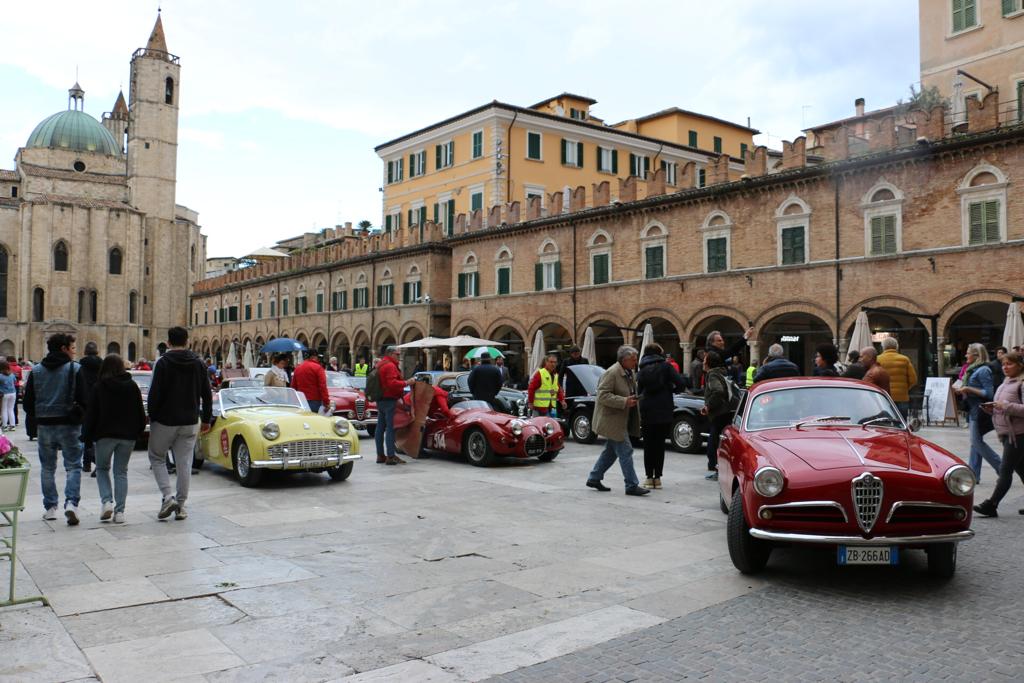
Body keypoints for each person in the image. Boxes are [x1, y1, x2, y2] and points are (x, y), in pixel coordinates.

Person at [146, 327, 213, 521]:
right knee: (184, 462)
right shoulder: (199, 363)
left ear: (168, 342)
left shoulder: (162, 363)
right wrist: (207, 419)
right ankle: (181, 506)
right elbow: (207, 394)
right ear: (187, 342)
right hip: (190, 420)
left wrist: (153, 415)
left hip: (165, 420)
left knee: (157, 457)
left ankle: (168, 497)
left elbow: (154, 393)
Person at [24, 333, 88, 524]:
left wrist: (41, 413)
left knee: (47, 468)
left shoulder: (36, 371)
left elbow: (28, 404)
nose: (74, 352)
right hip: (69, 425)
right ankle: (71, 503)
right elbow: (85, 398)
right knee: (73, 465)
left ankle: (51, 507)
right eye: (73, 348)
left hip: (45, 425)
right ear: (64, 348)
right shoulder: (75, 369)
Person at [82, 354, 146, 524]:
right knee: (121, 472)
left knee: (102, 469)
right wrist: (138, 431)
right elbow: (140, 412)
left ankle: (107, 501)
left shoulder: (99, 386)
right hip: (127, 436)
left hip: (104, 435)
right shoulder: (132, 386)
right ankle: (120, 512)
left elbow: (91, 414)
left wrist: (86, 435)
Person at [585, 345, 648, 496]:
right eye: (633, 359)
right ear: (624, 360)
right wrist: (624, 401)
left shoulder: (629, 371)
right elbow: (602, 395)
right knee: (626, 450)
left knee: (611, 452)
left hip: (621, 418)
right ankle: (631, 485)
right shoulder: (612, 373)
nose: (635, 362)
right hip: (611, 420)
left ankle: (594, 478)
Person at [973, 351, 1024, 517]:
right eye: (1003, 364)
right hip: (1006, 433)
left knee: (1005, 469)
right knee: (1021, 468)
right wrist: (992, 409)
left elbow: (1012, 407)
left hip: (1018, 434)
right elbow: (1002, 407)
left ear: (1020, 365)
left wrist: (1005, 406)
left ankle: (991, 504)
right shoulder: (1005, 382)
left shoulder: (1022, 383)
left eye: (1009, 364)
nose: (1005, 367)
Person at [637, 343, 686, 489]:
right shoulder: (666, 366)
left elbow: (640, 391)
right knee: (659, 444)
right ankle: (657, 478)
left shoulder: (642, 368)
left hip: (647, 410)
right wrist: (670, 389)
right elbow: (681, 384)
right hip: (664, 410)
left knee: (648, 445)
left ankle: (648, 478)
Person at [956, 342, 1002, 482]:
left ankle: (1002, 468)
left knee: (976, 442)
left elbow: (988, 393)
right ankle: (974, 474)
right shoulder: (972, 369)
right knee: (975, 442)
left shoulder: (983, 370)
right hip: (973, 410)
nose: (965, 354)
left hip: (979, 411)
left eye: (968, 352)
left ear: (976, 355)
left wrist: (968, 389)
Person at [375, 345, 413, 465]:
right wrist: (407, 382)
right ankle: (390, 456)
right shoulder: (390, 365)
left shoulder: (380, 364)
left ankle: (380, 455)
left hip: (380, 399)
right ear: (391, 354)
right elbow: (392, 383)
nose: (399, 357)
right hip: (389, 400)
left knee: (380, 428)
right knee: (390, 429)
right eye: (397, 354)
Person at [701, 350, 734, 481]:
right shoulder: (722, 372)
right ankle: (720, 468)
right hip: (727, 411)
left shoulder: (712, 374)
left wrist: (708, 406)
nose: (703, 363)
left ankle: (716, 469)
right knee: (722, 441)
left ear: (709, 363)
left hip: (719, 413)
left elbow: (718, 391)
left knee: (713, 443)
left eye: (705, 360)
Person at [876, 337, 917, 418]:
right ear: (896, 346)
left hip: (884, 397)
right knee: (901, 424)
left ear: (883, 347)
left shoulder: (878, 359)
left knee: (885, 423)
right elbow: (913, 380)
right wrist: (904, 388)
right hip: (902, 397)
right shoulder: (904, 359)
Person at [78, 341, 102, 474]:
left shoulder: (80, 365)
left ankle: (86, 463)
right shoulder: (102, 364)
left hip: (85, 402)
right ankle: (98, 460)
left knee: (86, 433)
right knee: (98, 434)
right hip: (99, 402)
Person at [0, 360, 16, 431]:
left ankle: (4, 426)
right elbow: (15, 381)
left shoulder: (0, 376)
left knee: (4, 410)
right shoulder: (12, 374)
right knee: (11, 409)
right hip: (13, 393)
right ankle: (12, 425)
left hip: (4, 394)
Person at [7, 356, 22, 427]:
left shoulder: (7, 367)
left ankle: (8, 421)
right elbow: (20, 378)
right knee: (15, 404)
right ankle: (15, 420)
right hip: (16, 386)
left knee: (7, 405)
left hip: (8, 386)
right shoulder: (19, 367)